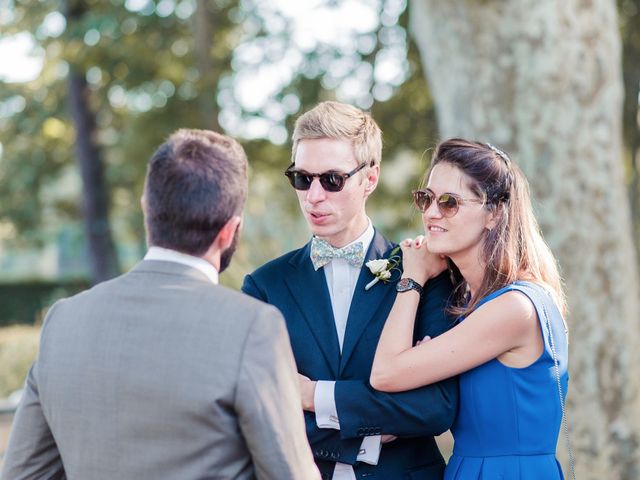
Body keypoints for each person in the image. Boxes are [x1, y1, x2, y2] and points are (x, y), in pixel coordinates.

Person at [1, 129, 320, 480]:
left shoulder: (64, 320)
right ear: (230, 231)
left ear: (146, 209)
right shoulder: (252, 326)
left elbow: (22, 473)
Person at [242, 101, 458, 480]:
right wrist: (372, 429)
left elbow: (435, 407)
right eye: (301, 178)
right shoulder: (264, 286)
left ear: (369, 179)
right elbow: (259, 406)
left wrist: (313, 399)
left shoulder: (426, 271)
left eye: (331, 180)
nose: (313, 196)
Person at [370, 138, 569, 479]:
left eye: (449, 203)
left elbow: (385, 373)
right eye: (426, 198)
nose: (431, 213)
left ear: (494, 213)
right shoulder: (467, 303)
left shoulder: (516, 307)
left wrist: (413, 277)